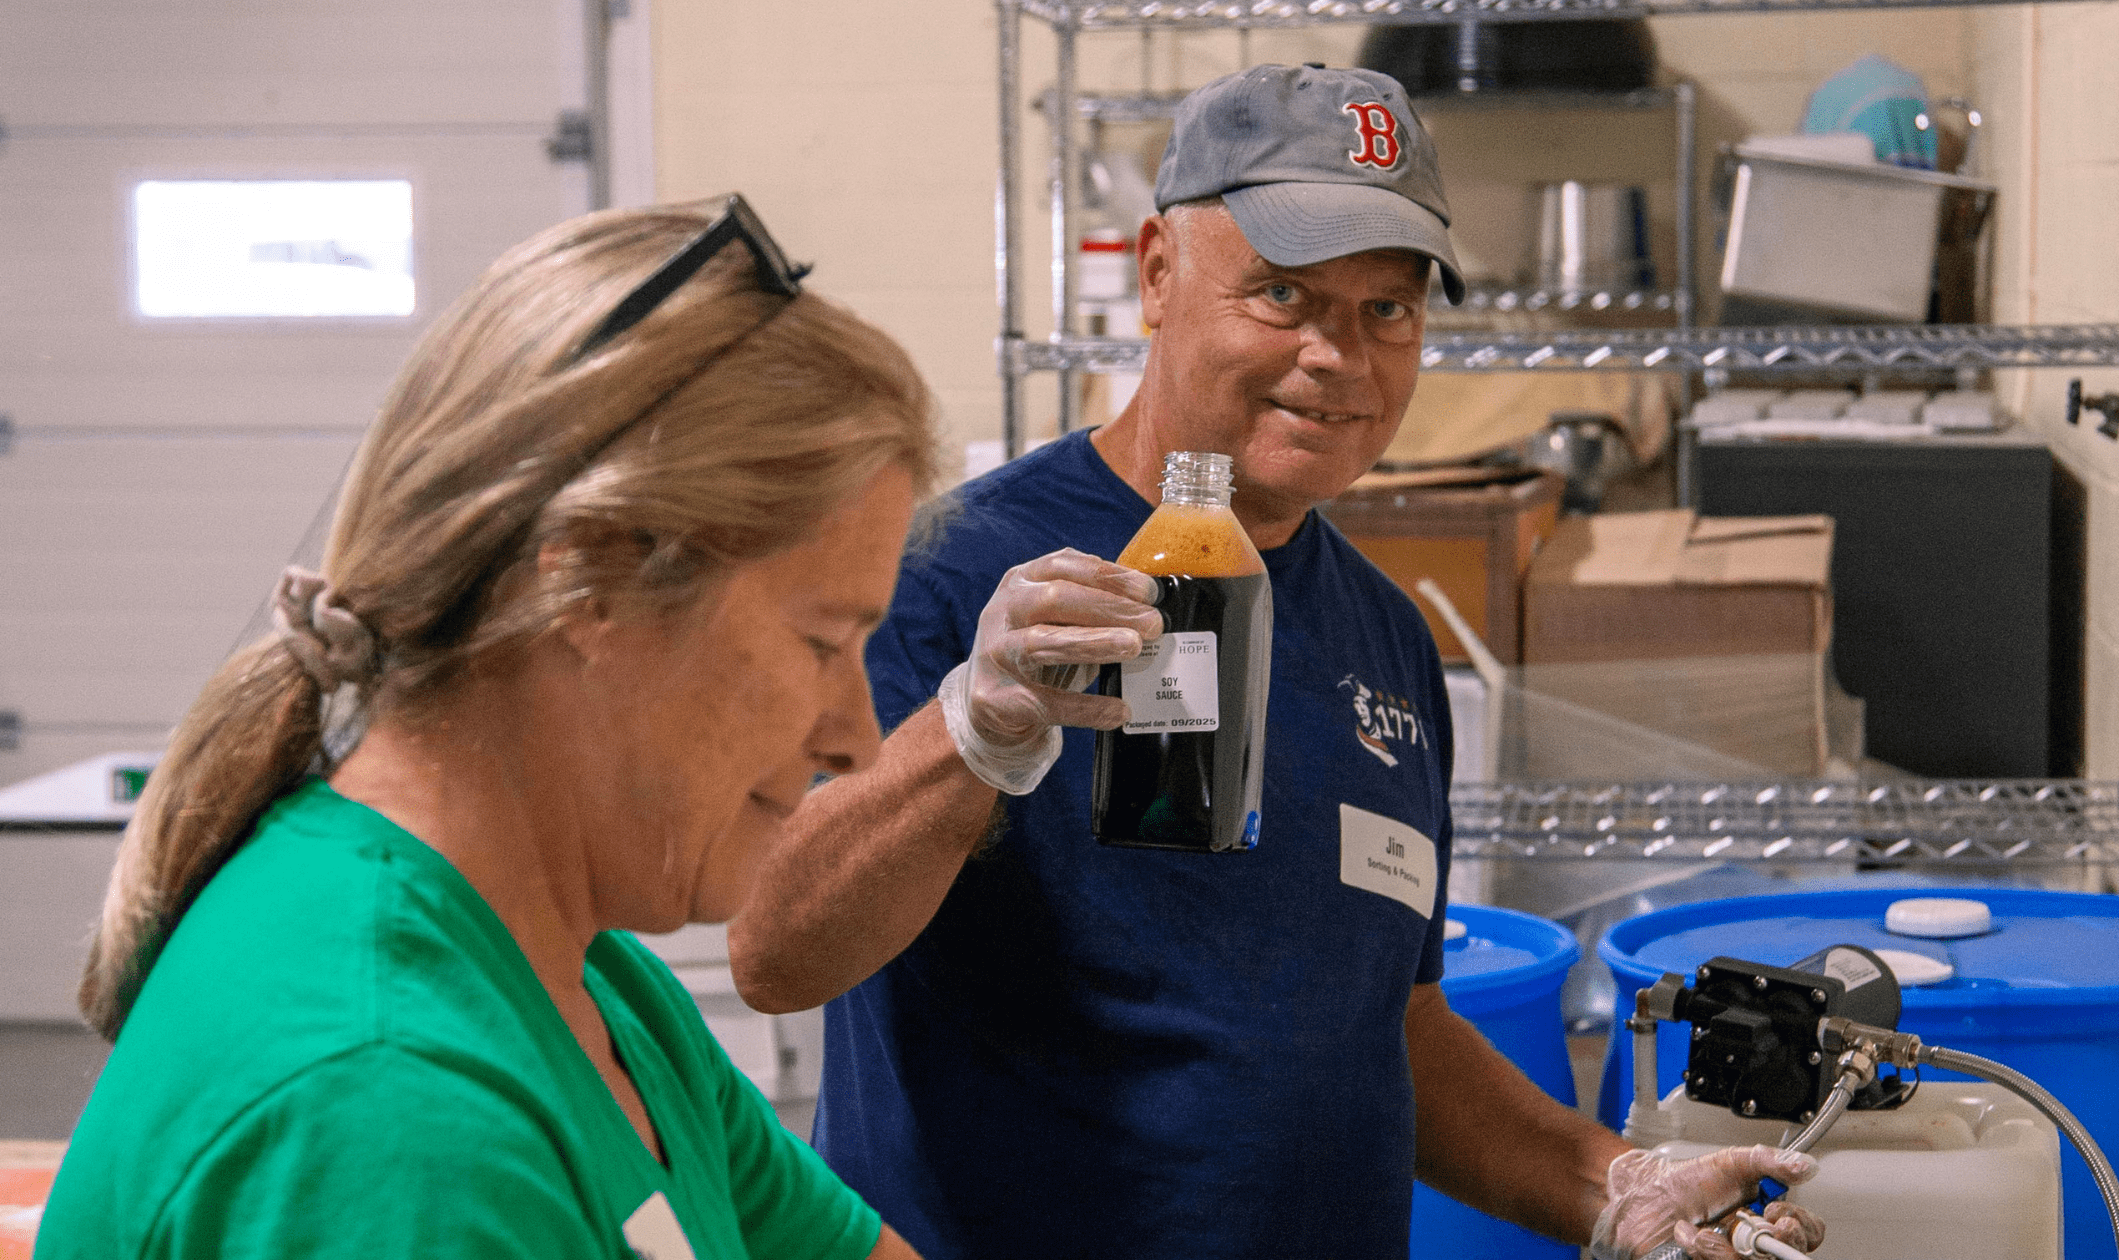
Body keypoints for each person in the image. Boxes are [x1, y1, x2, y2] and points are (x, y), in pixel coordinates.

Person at [727, 65, 1825, 1260]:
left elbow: (1386, 1030)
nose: (1337, 358)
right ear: (1155, 273)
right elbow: (775, 949)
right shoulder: (949, 575)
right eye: (1282, 294)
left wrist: (1607, 1183)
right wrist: (972, 734)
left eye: (1387, 312)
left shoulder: (1383, 637)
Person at [37, 196, 936, 1260]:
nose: (855, 740)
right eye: (822, 642)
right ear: (592, 584)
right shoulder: (392, 1109)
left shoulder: (586, 983)